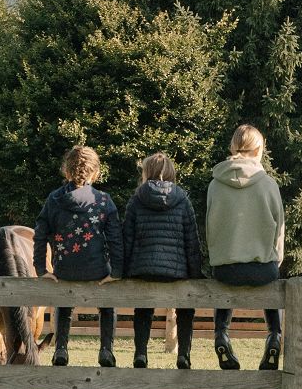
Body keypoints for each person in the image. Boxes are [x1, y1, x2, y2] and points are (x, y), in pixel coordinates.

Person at [33, 145, 124, 367]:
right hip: (98, 269)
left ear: (66, 171)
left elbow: (40, 234)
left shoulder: (54, 200)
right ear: (95, 172)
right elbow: (115, 238)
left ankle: (61, 349)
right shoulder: (103, 201)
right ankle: (105, 350)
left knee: (64, 305)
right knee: (107, 304)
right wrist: (117, 271)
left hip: (64, 269)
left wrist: (42, 269)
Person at [205, 124, 285, 370]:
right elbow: (279, 230)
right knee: (273, 276)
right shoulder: (268, 184)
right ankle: (274, 334)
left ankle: (221, 333)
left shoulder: (215, 184)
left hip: (225, 269)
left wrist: (219, 257)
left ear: (232, 147)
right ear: (259, 149)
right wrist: (275, 260)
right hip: (263, 269)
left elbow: (210, 228)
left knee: (225, 278)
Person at [122, 152, 203, 369]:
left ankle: (140, 353)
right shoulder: (183, 199)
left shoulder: (137, 199)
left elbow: (126, 238)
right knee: (186, 308)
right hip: (176, 271)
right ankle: (184, 354)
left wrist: (123, 270)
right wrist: (195, 273)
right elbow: (191, 240)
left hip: (143, 267)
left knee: (143, 308)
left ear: (146, 173)